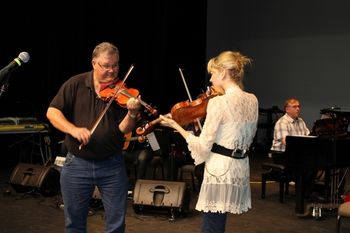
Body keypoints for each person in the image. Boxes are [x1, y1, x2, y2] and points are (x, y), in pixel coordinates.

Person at [46, 42, 141, 233]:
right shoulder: (76, 83)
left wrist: (131, 114)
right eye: (106, 66)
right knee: (74, 223)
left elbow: (123, 129)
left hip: (112, 164)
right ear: (94, 63)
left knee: (116, 224)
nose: (112, 71)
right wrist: (73, 130)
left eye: (115, 65)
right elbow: (52, 112)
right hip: (76, 164)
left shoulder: (122, 91)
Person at [160, 51, 258, 233]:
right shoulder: (252, 100)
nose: (211, 80)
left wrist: (177, 126)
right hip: (240, 168)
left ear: (222, 73)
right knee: (218, 222)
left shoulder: (218, 103)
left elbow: (202, 145)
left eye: (213, 74)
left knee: (211, 225)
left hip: (220, 170)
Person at [270, 98, 310, 164]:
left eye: (298, 106)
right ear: (287, 109)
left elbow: (308, 136)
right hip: (282, 155)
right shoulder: (282, 122)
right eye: (295, 107)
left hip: (295, 153)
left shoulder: (300, 121)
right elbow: (286, 142)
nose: (298, 109)